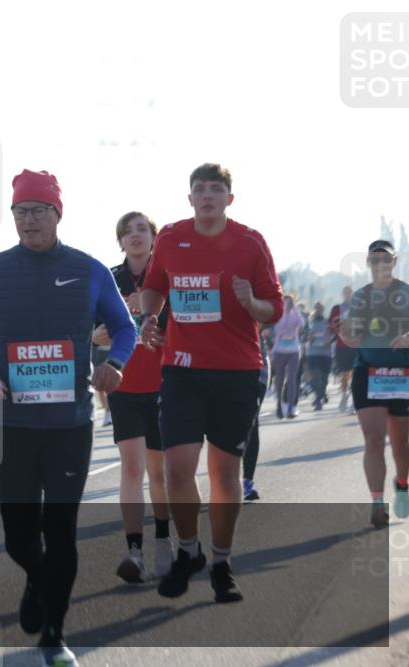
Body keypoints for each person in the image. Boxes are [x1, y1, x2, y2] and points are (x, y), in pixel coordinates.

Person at [0, 169, 136, 667]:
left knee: (60, 531)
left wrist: (114, 365)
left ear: (58, 214)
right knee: (18, 536)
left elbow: (125, 328)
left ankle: (54, 635)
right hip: (14, 426)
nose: (28, 220)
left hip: (69, 426)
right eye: (20, 212)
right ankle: (36, 575)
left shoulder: (89, 269)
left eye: (38, 211)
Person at [140, 163, 283, 604]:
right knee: (177, 468)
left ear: (228, 199)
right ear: (189, 199)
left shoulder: (250, 242)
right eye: (199, 189)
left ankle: (221, 561)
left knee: (225, 474)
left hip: (237, 372)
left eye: (215, 189)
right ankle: (189, 551)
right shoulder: (169, 237)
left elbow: (273, 309)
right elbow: (153, 286)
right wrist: (149, 317)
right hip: (181, 369)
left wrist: (250, 301)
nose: (207, 196)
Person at [93, 212, 173, 583]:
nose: (135, 235)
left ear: (154, 238)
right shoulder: (108, 278)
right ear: (120, 241)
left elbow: (191, 325)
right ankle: (134, 550)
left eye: (142, 229)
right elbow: (91, 331)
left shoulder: (169, 276)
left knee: (160, 473)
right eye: (127, 231)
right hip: (124, 385)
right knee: (131, 469)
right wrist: (99, 336)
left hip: (165, 385)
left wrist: (151, 307)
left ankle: (163, 541)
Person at [337, 239, 409, 526]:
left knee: (402, 445)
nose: (381, 264)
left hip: (402, 375)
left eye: (386, 259)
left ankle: (403, 483)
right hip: (368, 373)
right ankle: (377, 503)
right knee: (374, 441)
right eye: (375, 260)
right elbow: (353, 336)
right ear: (368, 263)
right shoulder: (361, 297)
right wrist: (345, 334)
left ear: (394, 261)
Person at [242, 326, 272, 501]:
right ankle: (226, 479)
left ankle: (247, 481)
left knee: (251, 422)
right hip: (217, 366)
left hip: (255, 367)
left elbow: (270, 314)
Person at [271, 295, 304, 419]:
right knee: (279, 380)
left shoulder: (295, 314)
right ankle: (279, 406)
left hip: (294, 350)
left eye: (289, 302)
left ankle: (290, 408)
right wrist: (284, 311)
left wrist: (294, 309)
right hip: (279, 350)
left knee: (291, 379)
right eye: (284, 302)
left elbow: (302, 324)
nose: (287, 304)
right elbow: (278, 327)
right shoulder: (279, 314)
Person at [330, 285, 356, 412]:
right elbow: (331, 325)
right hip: (342, 345)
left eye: (349, 293)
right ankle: (345, 395)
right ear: (342, 295)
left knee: (356, 373)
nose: (347, 295)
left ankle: (354, 400)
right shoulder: (337, 309)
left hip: (356, 346)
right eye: (345, 293)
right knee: (345, 373)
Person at [305, 301, 333, 411]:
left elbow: (334, 334)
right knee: (316, 375)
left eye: (320, 308)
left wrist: (329, 339)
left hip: (326, 353)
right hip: (312, 352)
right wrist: (308, 337)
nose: (318, 310)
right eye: (316, 308)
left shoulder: (328, 322)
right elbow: (304, 335)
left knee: (324, 378)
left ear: (323, 310)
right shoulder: (310, 322)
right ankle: (318, 399)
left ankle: (322, 394)